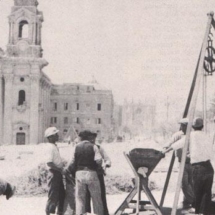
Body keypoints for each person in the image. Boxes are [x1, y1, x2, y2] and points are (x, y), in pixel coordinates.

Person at [165, 117, 214, 215]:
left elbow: (176, 145)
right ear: (202, 126)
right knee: (206, 193)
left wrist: (165, 151)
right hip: (209, 167)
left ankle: (198, 212)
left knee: (197, 192)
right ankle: (206, 212)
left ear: (192, 126)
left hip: (198, 167)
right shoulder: (207, 135)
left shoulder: (190, 136)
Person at [65, 130, 104, 215]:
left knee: (80, 199)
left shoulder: (76, 147)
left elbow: (72, 161)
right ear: (88, 137)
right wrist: (99, 168)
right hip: (91, 173)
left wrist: (66, 170)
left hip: (79, 174)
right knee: (96, 198)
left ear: (81, 137)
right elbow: (99, 160)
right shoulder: (93, 146)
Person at [163, 118, 194, 209]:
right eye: (182, 125)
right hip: (182, 163)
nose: (183, 127)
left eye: (185, 125)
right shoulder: (177, 135)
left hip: (192, 163)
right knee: (184, 183)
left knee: (191, 183)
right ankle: (192, 200)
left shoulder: (192, 135)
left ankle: (187, 202)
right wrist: (164, 149)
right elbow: (169, 143)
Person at [86, 132, 111, 215]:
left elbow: (107, 159)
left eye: (94, 138)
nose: (92, 140)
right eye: (90, 138)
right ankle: (87, 212)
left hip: (98, 174)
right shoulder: (84, 148)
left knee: (101, 195)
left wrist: (106, 165)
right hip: (87, 174)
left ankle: (104, 213)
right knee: (87, 195)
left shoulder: (99, 148)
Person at [44, 127, 65, 215]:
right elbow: (49, 163)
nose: (57, 136)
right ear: (50, 137)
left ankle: (59, 212)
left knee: (61, 194)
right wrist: (60, 169)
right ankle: (48, 212)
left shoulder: (54, 146)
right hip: (54, 173)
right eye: (55, 135)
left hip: (57, 173)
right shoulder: (50, 147)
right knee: (53, 195)